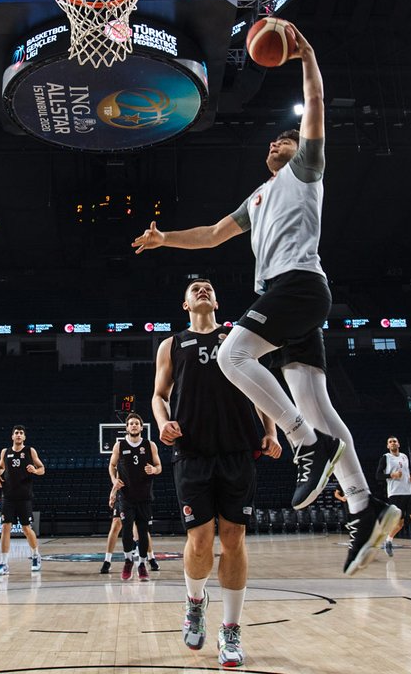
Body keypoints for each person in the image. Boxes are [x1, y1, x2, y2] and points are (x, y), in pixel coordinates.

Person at [132, 28, 400, 575]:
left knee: (232, 356)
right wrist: (165, 240)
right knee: (320, 405)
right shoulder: (257, 198)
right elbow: (209, 234)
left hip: (296, 286)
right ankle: (364, 506)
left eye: (285, 138)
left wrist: (310, 55)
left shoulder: (307, 169)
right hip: (289, 299)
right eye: (274, 141)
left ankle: (306, 444)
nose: (276, 143)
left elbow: (317, 103)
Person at [152, 278, 281, 668]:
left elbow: (261, 387)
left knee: (234, 537)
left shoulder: (238, 338)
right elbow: (159, 395)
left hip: (238, 450)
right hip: (192, 452)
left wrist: (272, 430)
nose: (203, 290)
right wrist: (162, 422)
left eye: (208, 287)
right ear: (185, 304)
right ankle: (195, 602)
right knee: (200, 540)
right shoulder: (171, 344)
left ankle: (230, 631)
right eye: (195, 289)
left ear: (217, 300)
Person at [108, 414, 163, 581]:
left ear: (141, 427)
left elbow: (159, 466)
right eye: (130, 423)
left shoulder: (150, 445)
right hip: (126, 497)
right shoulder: (119, 445)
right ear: (126, 427)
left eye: (136, 423)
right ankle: (128, 561)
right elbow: (111, 465)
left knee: (143, 530)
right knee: (126, 530)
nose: (133, 426)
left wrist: (154, 470)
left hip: (144, 496)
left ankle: (142, 564)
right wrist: (114, 480)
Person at [0, 425, 45, 576]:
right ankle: (3, 563)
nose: (19, 435)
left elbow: (42, 468)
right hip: (8, 496)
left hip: (24, 496)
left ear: (24, 437)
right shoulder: (5, 452)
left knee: (26, 529)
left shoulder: (30, 451)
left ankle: (36, 556)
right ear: (12, 436)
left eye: (21, 433)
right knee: (5, 527)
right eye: (16, 433)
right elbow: (0, 468)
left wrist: (35, 470)